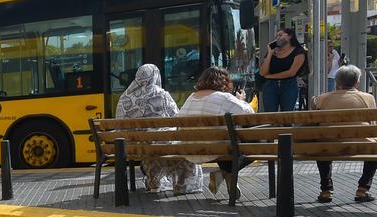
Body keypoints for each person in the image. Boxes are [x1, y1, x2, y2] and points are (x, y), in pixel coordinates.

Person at [115, 64, 202, 195]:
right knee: (179, 147)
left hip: (132, 147)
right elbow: (176, 118)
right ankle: (182, 183)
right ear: (155, 76)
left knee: (150, 146)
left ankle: (154, 182)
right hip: (158, 145)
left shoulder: (124, 97)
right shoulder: (160, 94)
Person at [177, 66, 255, 200]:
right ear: (224, 82)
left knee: (222, 138)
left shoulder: (191, 97)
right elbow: (249, 114)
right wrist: (240, 100)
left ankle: (226, 173)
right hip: (214, 151)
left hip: (190, 151)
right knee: (257, 142)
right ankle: (224, 172)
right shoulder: (224, 98)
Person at [312, 64, 377, 203]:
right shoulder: (368, 98)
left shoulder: (322, 98)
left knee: (322, 143)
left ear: (337, 81)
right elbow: (373, 125)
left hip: (328, 146)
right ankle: (362, 189)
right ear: (357, 82)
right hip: (361, 146)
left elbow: (313, 124)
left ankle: (326, 190)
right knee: (374, 148)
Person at [258, 28, 306, 112]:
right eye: (276, 36)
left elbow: (291, 72)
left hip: (289, 85)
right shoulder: (273, 51)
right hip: (270, 86)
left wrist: (270, 76)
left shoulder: (298, 51)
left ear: (290, 36)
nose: (277, 38)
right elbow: (262, 72)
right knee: (270, 116)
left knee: (287, 116)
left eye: (280, 35)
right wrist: (269, 53)